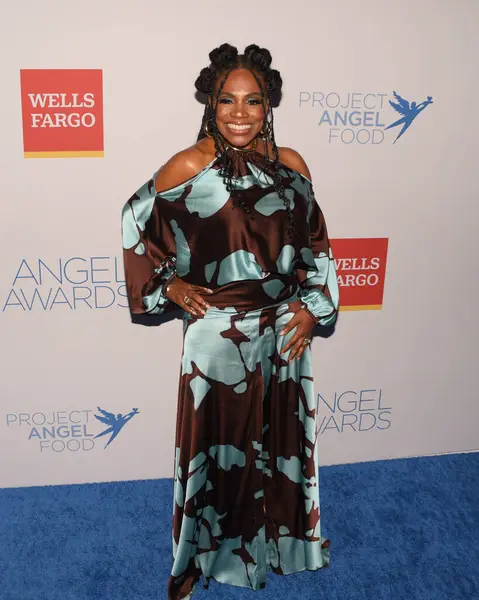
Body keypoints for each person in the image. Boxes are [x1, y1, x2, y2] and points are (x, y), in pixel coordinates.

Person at [121, 43, 340, 600]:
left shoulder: (293, 166)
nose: (239, 113)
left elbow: (316, 247)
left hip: (283, 334)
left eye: (253, 101)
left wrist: (312, 310)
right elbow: (133, 219)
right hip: (218, 337)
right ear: (210, 104)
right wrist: (165, 283)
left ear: (269, 105)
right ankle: (197, 562)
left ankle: (279, 545)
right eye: (227, 100)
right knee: (212, 455)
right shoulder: (192, 165)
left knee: (280, 445)